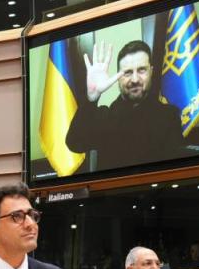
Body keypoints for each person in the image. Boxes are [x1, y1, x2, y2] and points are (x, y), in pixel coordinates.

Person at [66, 40, 185, 171]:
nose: (135, 80)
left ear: (151, 71)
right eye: (127, 72)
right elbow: (74, 143)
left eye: (141, 70)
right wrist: (91, 100)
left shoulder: (169, 116)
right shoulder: (105, 117)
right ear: (118, 76)